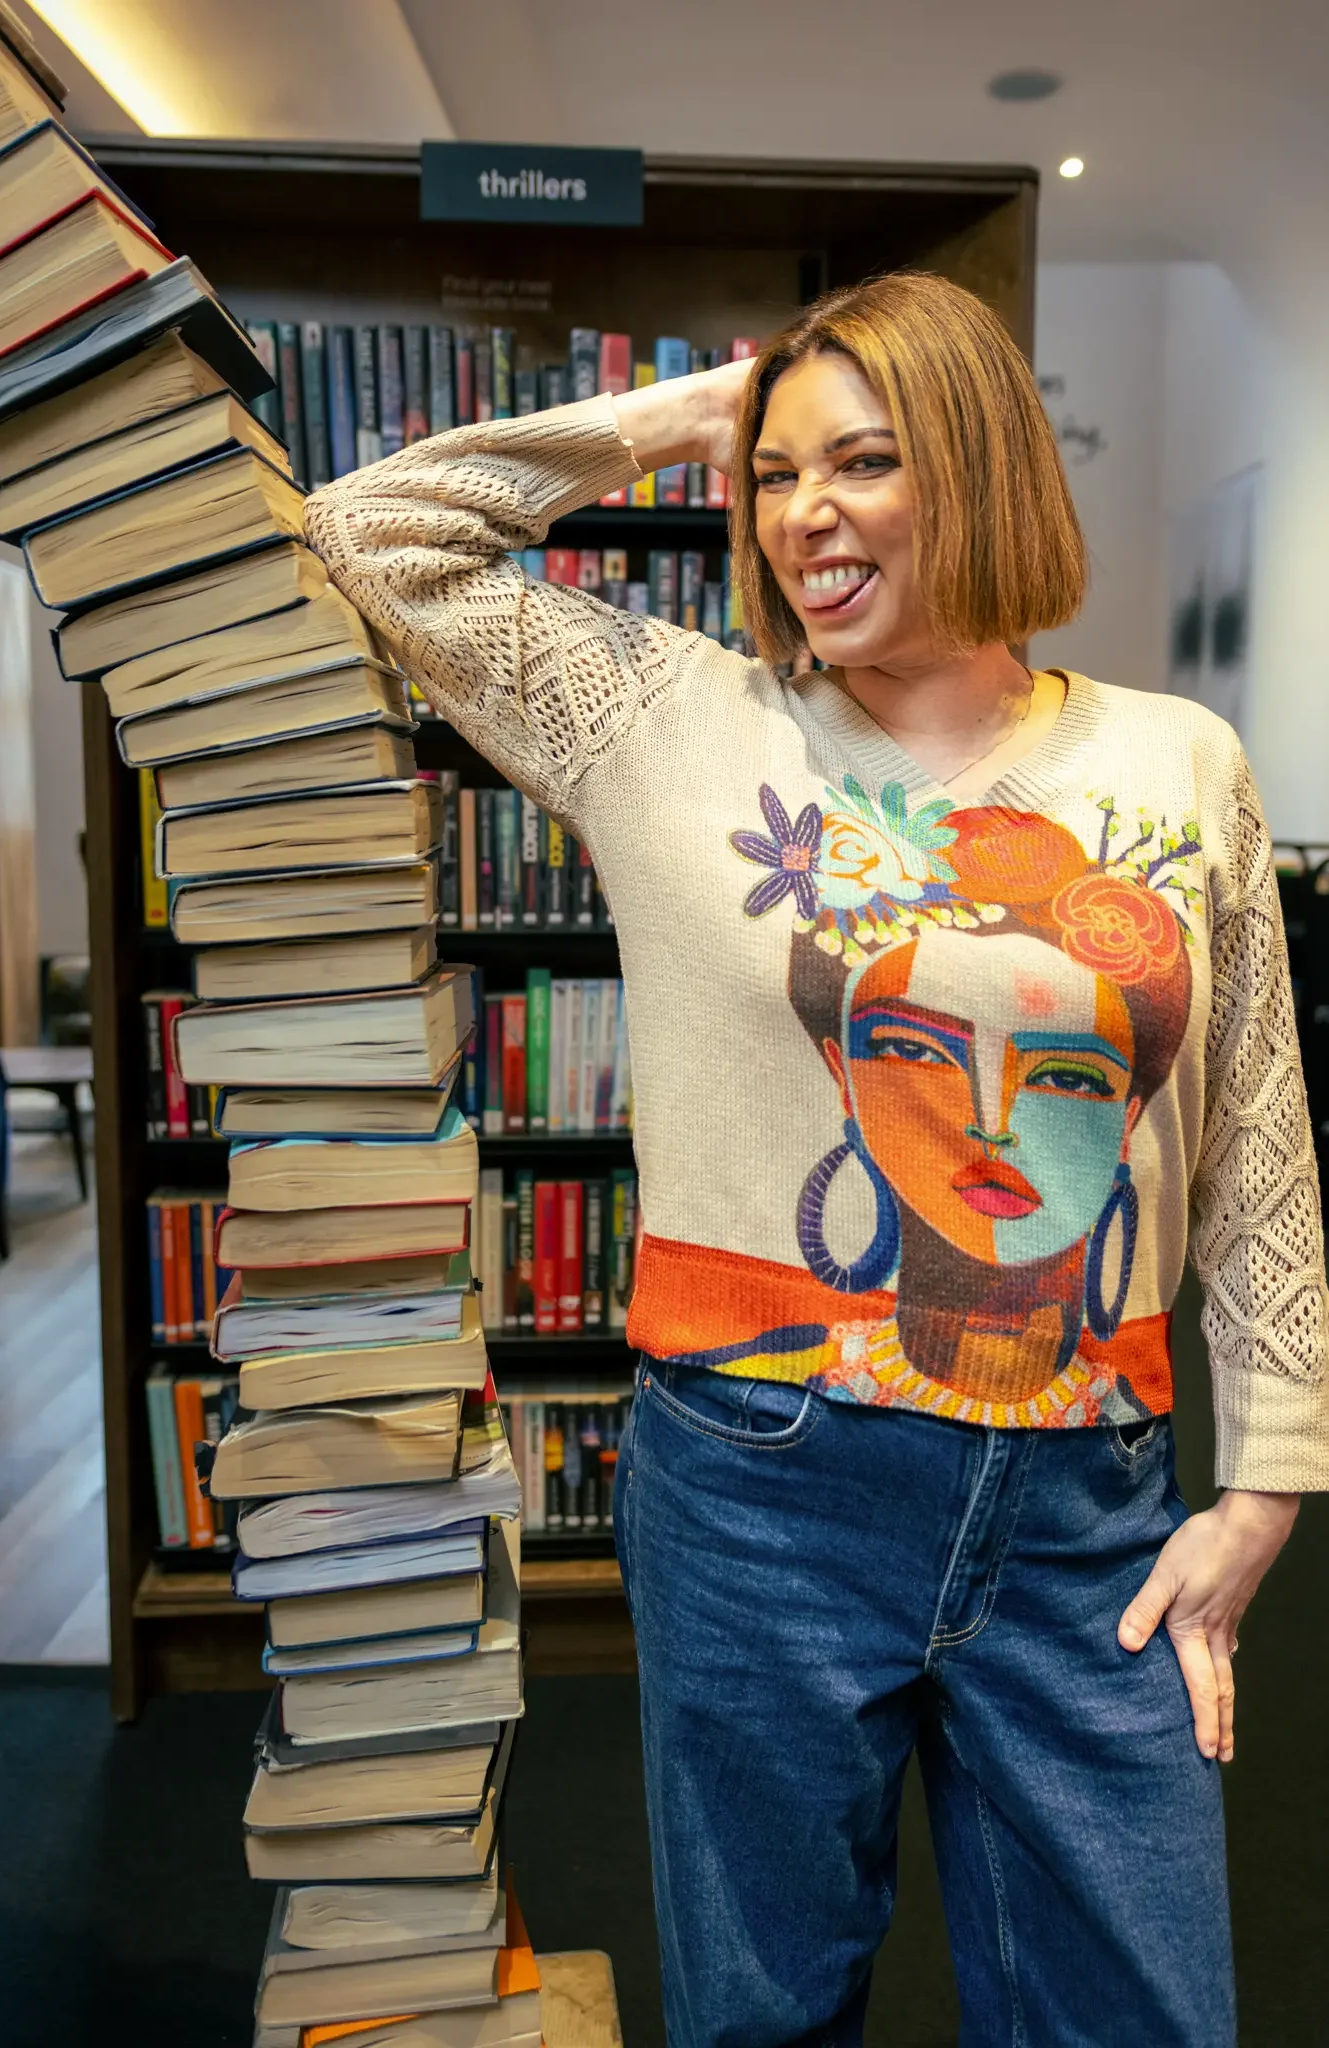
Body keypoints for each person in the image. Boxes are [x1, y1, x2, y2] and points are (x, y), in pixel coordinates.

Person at [304, 272, 1329, 2048]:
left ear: (990, 466)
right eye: (778, 479)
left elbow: (1254, 1139)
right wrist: (680, 415)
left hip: (1087, 1494)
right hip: (760, 1483)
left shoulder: (1180, 763)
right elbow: (364, 536)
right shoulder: (666, 718)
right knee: (764, 2008)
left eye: (863, 463)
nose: (803, 519)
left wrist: (1266, 1487)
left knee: (1139, 2010)